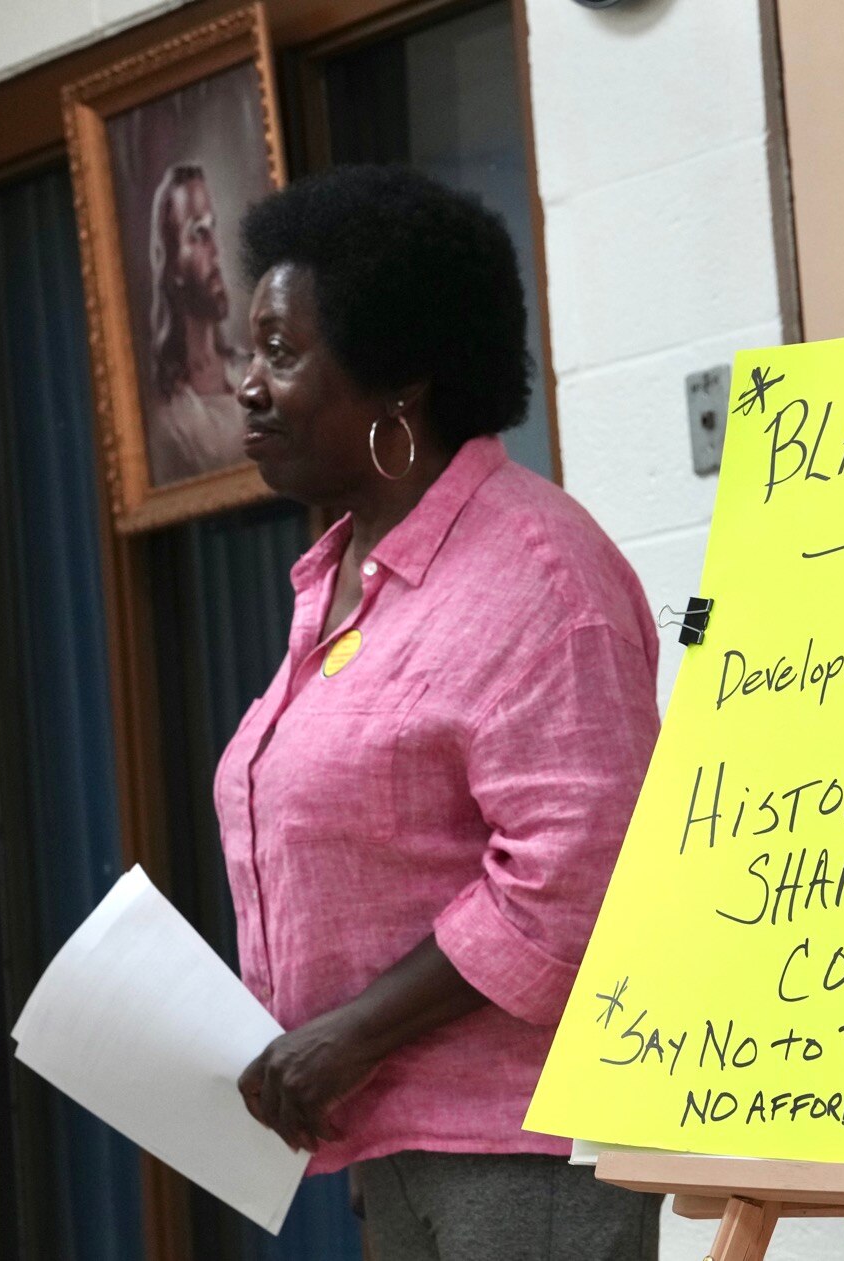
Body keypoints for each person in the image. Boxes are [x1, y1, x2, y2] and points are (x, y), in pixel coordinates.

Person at [219, 164, 662, 1259]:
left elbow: (579, 878)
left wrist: (353, 1034)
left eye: (281, 351)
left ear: (397, 388)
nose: (247, 384)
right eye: (250, 351)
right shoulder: (341, 575)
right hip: (396, 1137)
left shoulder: (536, 574)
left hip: (523, 1148)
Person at [145, 162, 248, 485]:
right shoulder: (172, 420)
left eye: (212, 229)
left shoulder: (249, 371)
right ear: (173, 265)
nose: (216, 253)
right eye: (197, 234)